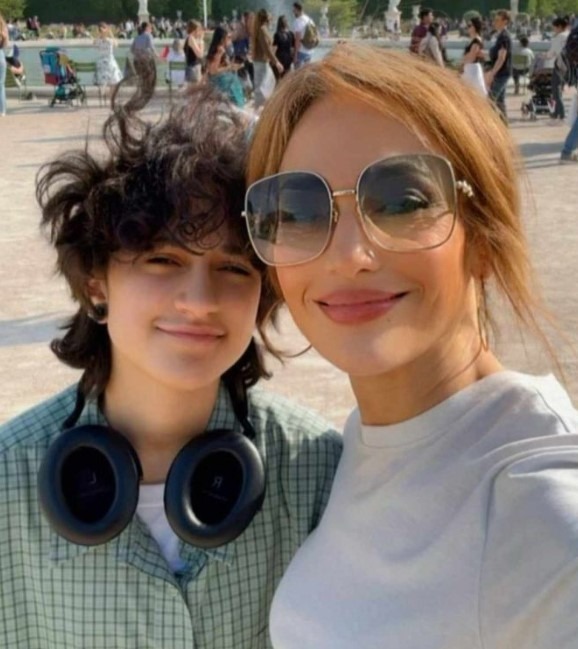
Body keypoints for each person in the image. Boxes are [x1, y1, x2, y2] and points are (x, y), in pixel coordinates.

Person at [243, 42, 578, 648]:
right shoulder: (374, 440)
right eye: (299, 210)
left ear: (484, 237)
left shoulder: (541, 512)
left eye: (402, 202)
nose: (349, 256)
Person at [0, 73, 341, 647]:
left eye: (233, 268)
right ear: (96, 284)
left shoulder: (318, 472)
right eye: (162, 260)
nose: (200, 300)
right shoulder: (7, 477)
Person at [206, 26, 246, 108]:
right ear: (222, 38)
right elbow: (213, 70)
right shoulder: (220, 50)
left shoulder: (218, 48)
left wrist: (232, 66)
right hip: (220, 83)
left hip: (219, 81)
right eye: (228, 37)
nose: (229, 39)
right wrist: (229, 68)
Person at [251, 9, 283, 109]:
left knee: (266, 84)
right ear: (266, 18)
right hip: (261, 62)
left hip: (262, 62)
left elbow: (267, 48)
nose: (271, 17)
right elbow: (266, 49)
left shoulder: (262, 29)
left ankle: (261, 107)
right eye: (270, 16)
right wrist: (277, 62)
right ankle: (259, 109)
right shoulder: (262, 30)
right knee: (261, 87)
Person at [485, 9, 513, 122]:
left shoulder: (504, 37)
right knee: (500, 102)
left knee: (490, 101)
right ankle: (503, 124)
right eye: (494, 20)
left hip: (502, 73)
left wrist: (492, 73)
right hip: (502, 72)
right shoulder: (501, 36)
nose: (494, 22)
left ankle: (491, 124)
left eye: (497, 20)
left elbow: (501, 58)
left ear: (505, 21)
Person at [546, 16, 570, 121]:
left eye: (554, 27)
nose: (553, 29)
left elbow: (552, 53)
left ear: (559, 26)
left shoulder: (559, 37)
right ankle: (555, 113)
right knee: (559, 90)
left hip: (560, 66)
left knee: (556, 91)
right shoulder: (570, 35)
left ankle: (561, 114)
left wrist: (544, 56)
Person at [94, 22, 123, 101]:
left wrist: (100, 34)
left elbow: (94, 44)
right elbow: (116, 45)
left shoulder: (99, 40)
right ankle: (111, 97)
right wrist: (110, 33)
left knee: (107, 81)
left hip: (102, 63)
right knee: (114, 81)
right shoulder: (109, 40)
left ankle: (106, 94)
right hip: (110, 62)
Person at [461, 16, 487, 95]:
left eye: (469, 25)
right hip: (469, 68)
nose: (467, 27)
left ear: (475, 27)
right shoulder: (473, 40)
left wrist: (462, 61)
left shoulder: (476, 40)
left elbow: (472, 57)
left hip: (472, 69)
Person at [292, 2, 316, 69]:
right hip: (309, 51)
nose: (293, 12)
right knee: (306, 72)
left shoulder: (298, 21)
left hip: (301, 52)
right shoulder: (310, 20)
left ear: (298, 10)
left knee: (298, 73)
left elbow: (297, 39)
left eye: (294, 10)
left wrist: (295, 55)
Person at [184, 19, 204, 84]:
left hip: (193, 67)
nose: (200, 32)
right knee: (194, 88)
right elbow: (200, 55)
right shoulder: (191, 38)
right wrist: (201, 41)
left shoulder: (191, 38)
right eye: (199, 29)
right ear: (195, 30)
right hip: (193, 68)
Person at [0, 13, 8, 117]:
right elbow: (5, 45)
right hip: (1, 56)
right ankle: (3, 110)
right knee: (1, 86)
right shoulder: (3, 31)